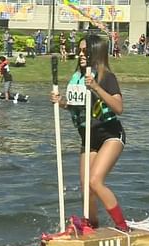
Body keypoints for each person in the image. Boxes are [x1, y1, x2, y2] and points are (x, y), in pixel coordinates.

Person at [50, 35, 129, 232]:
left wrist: (95, 86)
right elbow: (77, 106)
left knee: (95, 181)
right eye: (80, 50)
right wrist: (61, 102)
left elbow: (118, 107)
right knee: (86, 186)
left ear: (96, 53)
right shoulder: (77, 77)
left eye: (85, 51)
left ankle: (123, 227)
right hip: (88, 137)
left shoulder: (106, 77)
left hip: (110, 134)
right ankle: (91, 224)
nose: (81, 54)